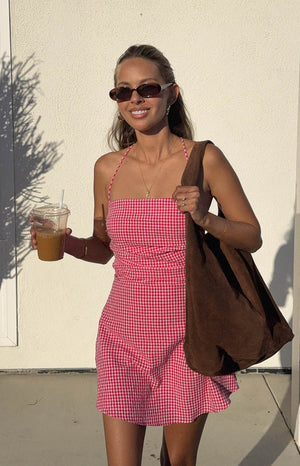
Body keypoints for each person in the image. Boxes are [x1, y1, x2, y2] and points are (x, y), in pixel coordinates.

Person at [31, 44, 262, 465]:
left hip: (189, 332)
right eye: (123, 91)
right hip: (123, 334)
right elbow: (104, 251)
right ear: (117, 101)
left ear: (172, 94)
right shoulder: (107, 168)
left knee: (178, 462)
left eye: (147, 88)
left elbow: (251, 235)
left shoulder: (204, 158)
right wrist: (66, 244)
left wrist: (205, 219)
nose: (135, 98)